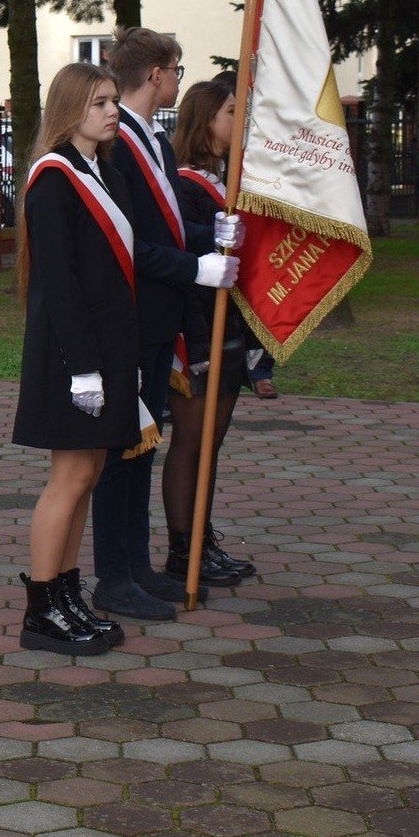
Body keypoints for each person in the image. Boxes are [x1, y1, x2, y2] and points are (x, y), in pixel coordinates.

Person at [85, 27, 240, 624]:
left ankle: (137, 564)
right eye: (176, 71)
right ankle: (113, 575)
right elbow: (131, 244)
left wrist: (213, 239)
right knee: (123, 447)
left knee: (143, 446)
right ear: (156, 73)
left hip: (158, 317)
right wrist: (197, 268)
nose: (179, 81)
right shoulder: (117, 140)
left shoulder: (150, 138)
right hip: (132, 316)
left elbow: (169, 226)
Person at [12, 63, 144, 655]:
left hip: (106, 347)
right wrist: (83, 366)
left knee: (88, 475)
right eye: (99, 103)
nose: (112, 111)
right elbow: (59, 283)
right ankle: (41, 609)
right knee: (67, 479)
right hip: (72, 353)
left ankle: (67, 595)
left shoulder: (104, 171)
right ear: (71, 109)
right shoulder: (54, 180)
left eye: (114, 100)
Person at [163, 78, 257, 588]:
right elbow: (185, 257)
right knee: (192, 441)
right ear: (205, 119)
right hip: (197, 330)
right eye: (229, 111)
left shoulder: (226, 180)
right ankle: (184, 549)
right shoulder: (183, 185)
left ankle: (203, 536)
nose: (237, 120)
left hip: (230, 327)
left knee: (212, 445)